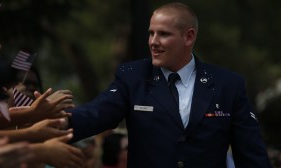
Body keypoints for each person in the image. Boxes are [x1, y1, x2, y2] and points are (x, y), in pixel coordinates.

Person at [67, 2, 272, 168]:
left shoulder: (227, 84)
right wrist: (52, 121)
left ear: (189, 37)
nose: (153, 42)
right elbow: (96, 114)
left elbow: (252, 155)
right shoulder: (133, 76)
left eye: (163, 34)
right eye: (151, 33)